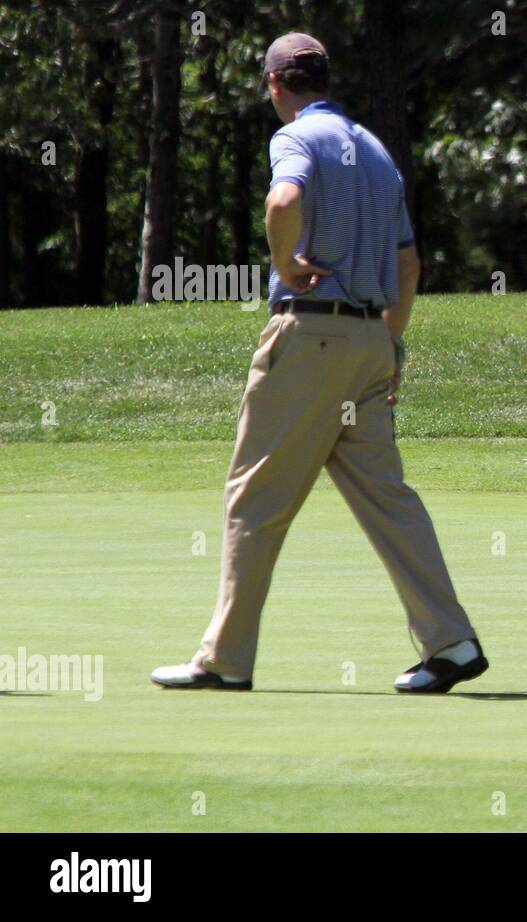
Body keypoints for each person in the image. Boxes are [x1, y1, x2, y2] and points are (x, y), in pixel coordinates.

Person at [152, 32, 486, 693]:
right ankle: (451, 643)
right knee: (389, 500)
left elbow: (282, 202)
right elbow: (409, 263)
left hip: (309, 339)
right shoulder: (377, 152)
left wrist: (283, 265)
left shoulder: (295, 139)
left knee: (255, 501)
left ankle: (224, 662)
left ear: (277, 84)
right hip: (369, 346)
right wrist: (391, 344)